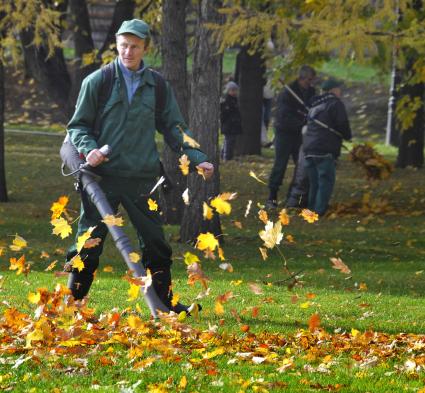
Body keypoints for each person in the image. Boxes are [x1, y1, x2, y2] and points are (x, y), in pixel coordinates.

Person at [64, 19, 214, 312]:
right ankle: (73, 304)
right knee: (88, 242)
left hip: (143, 181)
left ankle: (165, 303)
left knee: (156, 243)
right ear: (116, 45)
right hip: (102, 179)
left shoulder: (156, 86)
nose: (128, 52)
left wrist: (198, 158)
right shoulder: (98, 81)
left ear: (145, 48)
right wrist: (89, 149)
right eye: (123, 45)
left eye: (134, 46)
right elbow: (77, 126)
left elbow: (174, 128)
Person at [266, 65, 316, 208]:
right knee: (280, 165)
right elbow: (283, 115)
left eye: (312, 80)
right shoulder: (287, 93)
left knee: (301, 166)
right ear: (301, 78)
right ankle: (272, 197)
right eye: (308, 80)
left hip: (300, 134)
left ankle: (294, 197)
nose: (310, 83)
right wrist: (300, 120)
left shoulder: (311, 92)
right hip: (285, 133)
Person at [303, 78, 352, 216]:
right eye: (338, 89)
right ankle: (319, 211)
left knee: (314, 182)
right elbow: (342, 123)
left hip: (309, 149)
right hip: (325, 148)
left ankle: (311, 210)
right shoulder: (335, 104)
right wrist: (348, 136)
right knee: (325, 180)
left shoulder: (313, 105)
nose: (340, 92)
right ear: (333, 90)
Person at [220, 81, 242, 161]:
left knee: (229, 141)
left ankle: (225, 156)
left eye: (235, 90)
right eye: (232, 90)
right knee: (228, 142)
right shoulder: (226, 101)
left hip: (233, 125)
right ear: (228, 90)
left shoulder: (234, 100)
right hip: (229, 125)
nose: (234, 92)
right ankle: (226, 157)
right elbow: (224, 114)